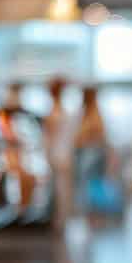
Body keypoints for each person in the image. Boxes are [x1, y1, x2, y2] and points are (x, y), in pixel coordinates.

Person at [73, 86, 120, 218]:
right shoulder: (84, 114)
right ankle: (91, 219)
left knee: (92, 191)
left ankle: (94, 219)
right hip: (85, 157)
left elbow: (100, 139)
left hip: (92, 158)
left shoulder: (94, 116)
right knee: (86, 192)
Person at [43, 78, 74, 227]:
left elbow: (49, 139)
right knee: (61, 188)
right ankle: (60, 218)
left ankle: (59, 219)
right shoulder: (61, 111)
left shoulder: (54, 112)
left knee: (59, 188)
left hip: (58, 153)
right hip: (64, 153)